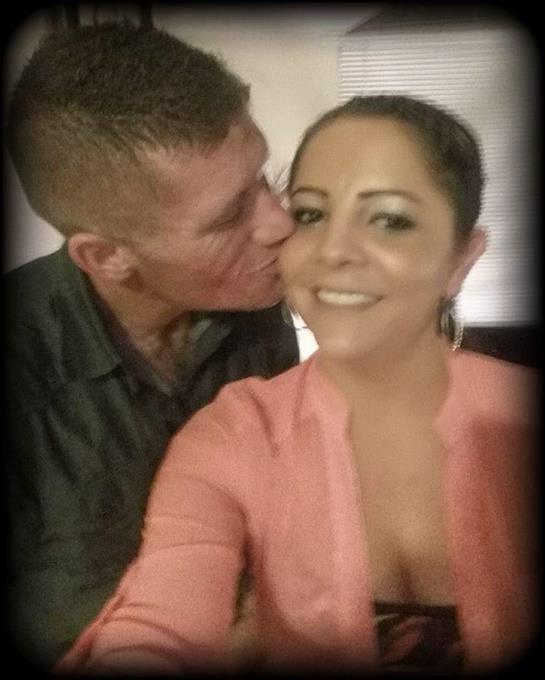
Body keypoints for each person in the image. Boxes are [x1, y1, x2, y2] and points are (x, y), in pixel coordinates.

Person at [57, 95, 537, 675]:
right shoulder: (234, 433)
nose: (333, 251)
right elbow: (161, 620)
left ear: (461, 258)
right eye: (310, 214)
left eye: (390, 220)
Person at [4, 21, 300, 668]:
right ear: (106, 257)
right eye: (229, 215)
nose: (279, 223)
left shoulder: (253, 310)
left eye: (263, 177)